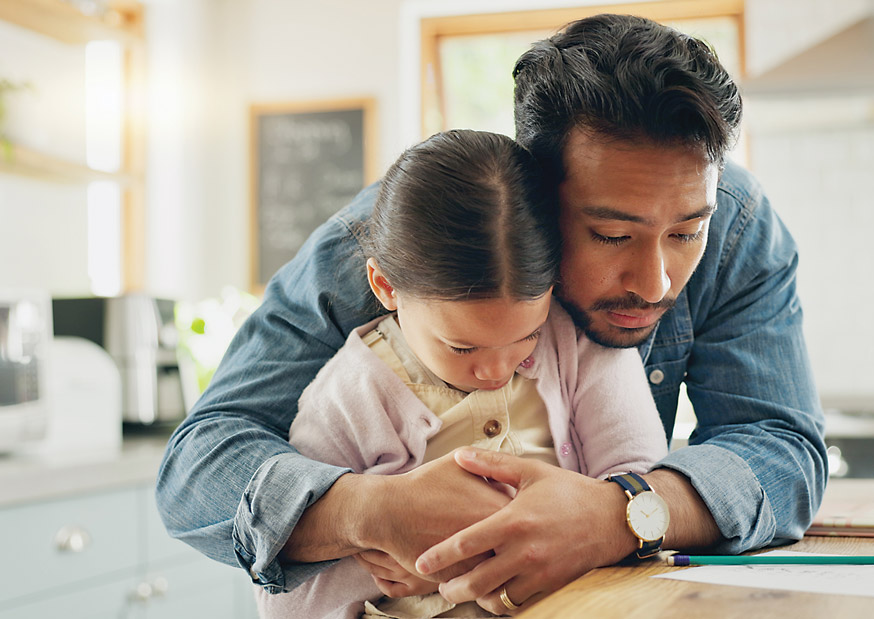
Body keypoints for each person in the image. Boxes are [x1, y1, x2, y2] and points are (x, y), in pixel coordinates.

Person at [157, 13, 826, 616]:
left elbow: (783, 446)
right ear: (533, 194)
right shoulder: (398, 246)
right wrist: (371, 510)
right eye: (613, 236)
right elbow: (197, 469)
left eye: (685, 233)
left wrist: (619, 513)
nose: (655, 281)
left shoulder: (738, 225)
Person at [255, 129, 667, 619]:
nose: (496, 369)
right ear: (386, 287)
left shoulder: (581, 344)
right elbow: (287, 596)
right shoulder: (350, 393)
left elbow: (641, 483)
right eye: (462, 346)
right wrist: (399, 555)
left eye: (527, 336)